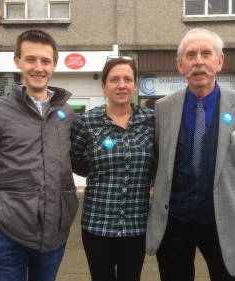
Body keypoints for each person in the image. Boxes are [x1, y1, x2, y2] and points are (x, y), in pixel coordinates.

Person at [146, 28, 235, 281]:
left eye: (206, 53)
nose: (198, 61)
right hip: (174, 224)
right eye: (191, 54)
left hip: (227, 226)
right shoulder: (162, 109)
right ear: (180, 65)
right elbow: (153, 165)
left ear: (219, 61)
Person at [0, 29, 88, 281]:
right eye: (30, 59)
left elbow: (74, 160)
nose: (38, 67)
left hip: (55, 230)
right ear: (17, 61)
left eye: (45, 60)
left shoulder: (66, 112)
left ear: (54, 64)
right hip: (6, 232)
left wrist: (113, 157)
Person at [69, 57, 155, 281]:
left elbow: (159, 160)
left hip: (137, 223)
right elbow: (70, 158)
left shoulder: (152, 120)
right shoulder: (87, 122)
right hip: (98, 222)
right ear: (104, 86)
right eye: (114, 79)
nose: (121, 85)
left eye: (128, 79)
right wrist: (95, 169)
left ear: (135, 85)